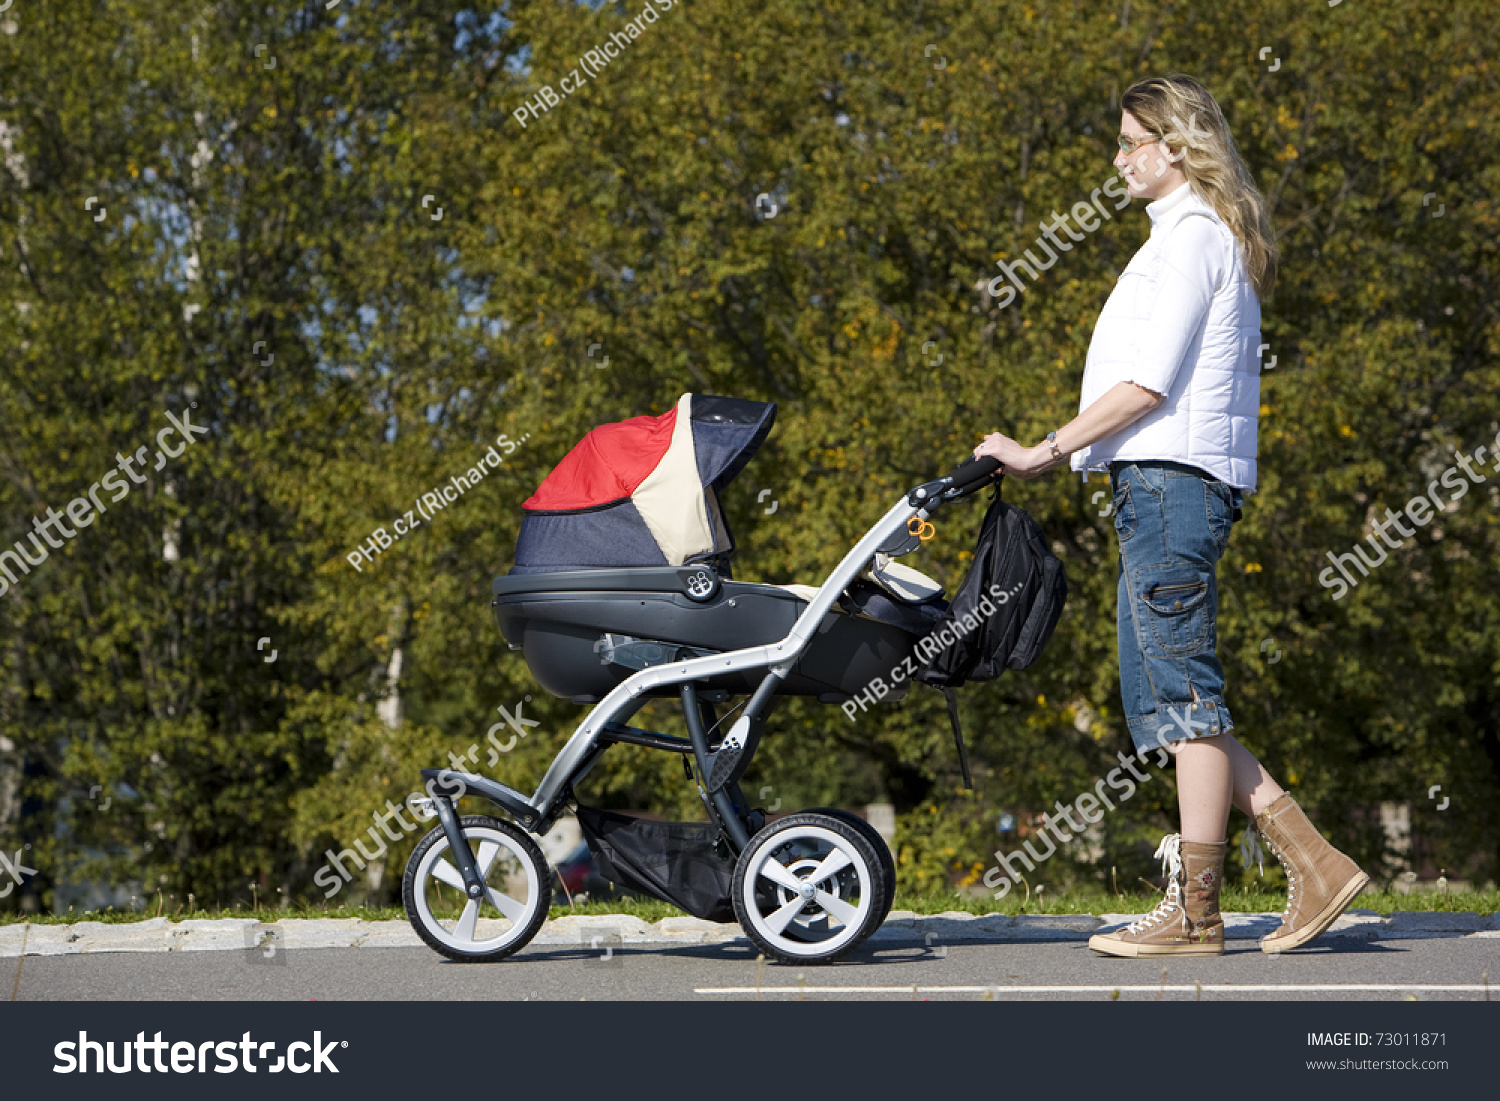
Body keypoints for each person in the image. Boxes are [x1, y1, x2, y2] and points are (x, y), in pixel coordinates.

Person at [974, 75, 1367, 957]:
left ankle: (1198, 913)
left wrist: (1043, 450)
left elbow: (1147, 384)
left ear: (1176, 145)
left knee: (1182, 695)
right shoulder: (1181, 238)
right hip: (1159, 485)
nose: (1116, 159)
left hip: (1170, 483)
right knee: (1169, 694)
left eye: (1129, 142)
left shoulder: (1190, 238)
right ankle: (1310, 859)